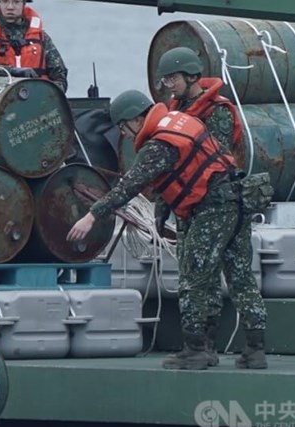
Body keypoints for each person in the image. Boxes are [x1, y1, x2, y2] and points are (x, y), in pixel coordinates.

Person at [66, 94, 268, 370]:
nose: (124, 134)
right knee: (241, 278)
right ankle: (255, 350)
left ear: (138, 118)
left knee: (194, 280)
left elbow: (130, 185)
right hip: (236, 202)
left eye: (124, 127)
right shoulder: (182, 122)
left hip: (211, 210)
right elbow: (183, 172)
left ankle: (196, 349)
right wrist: (162, 214)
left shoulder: (159, 144)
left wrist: (92, 216)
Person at [155, 47, 248, 366]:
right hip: (185, 204)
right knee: (193, 274)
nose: (169, 85)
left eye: (173, 78)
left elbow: (217, 164)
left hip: (211, 203)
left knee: (201, 276)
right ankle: (201, 347)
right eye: (165, 79)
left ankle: (202, 345)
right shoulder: (175, 111)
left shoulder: (217, 112)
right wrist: (163, 203)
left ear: (191, 76)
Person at [0, 0, 68, 93]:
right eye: (5, 1)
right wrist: (13, 71)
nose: (10, 7)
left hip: (35, 100)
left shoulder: (41, 37)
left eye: (16, 1)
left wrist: (45, 95)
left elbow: (60, 76)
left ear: (24, 3)